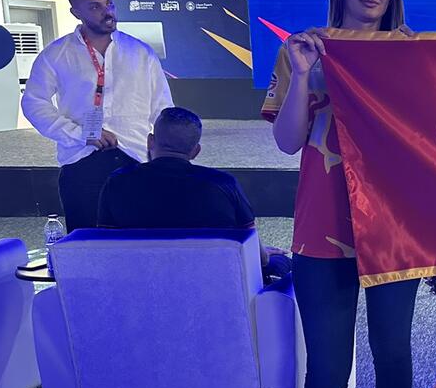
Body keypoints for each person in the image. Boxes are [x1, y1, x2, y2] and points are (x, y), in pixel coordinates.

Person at [264, 0, 421, 388]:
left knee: (393, 352)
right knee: (328, 366)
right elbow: (287, 140)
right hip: (323, 228)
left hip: (394, 228)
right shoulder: (304, 49)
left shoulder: (410, 52)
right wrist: (304, 75)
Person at [22, 0, 173, 231]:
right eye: (95, 7)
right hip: (81, 159)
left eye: (109, 3)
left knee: (140, 239)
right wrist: (79, 134)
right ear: (76, 12)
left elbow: (162, 107)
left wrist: (164, 155)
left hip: (135, 158)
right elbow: (33, 103)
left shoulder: (140, 53)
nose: (107, 11)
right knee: (87, 240)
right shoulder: (56, 54)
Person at [96, 106, 290, 281]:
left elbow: (105, 244)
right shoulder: (222, 184)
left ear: (150, 142)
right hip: (212, 280)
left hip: (139, 277)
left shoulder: (117, 182)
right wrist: (265, 256)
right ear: (196, 151)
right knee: (282, 263)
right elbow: (253, 245)